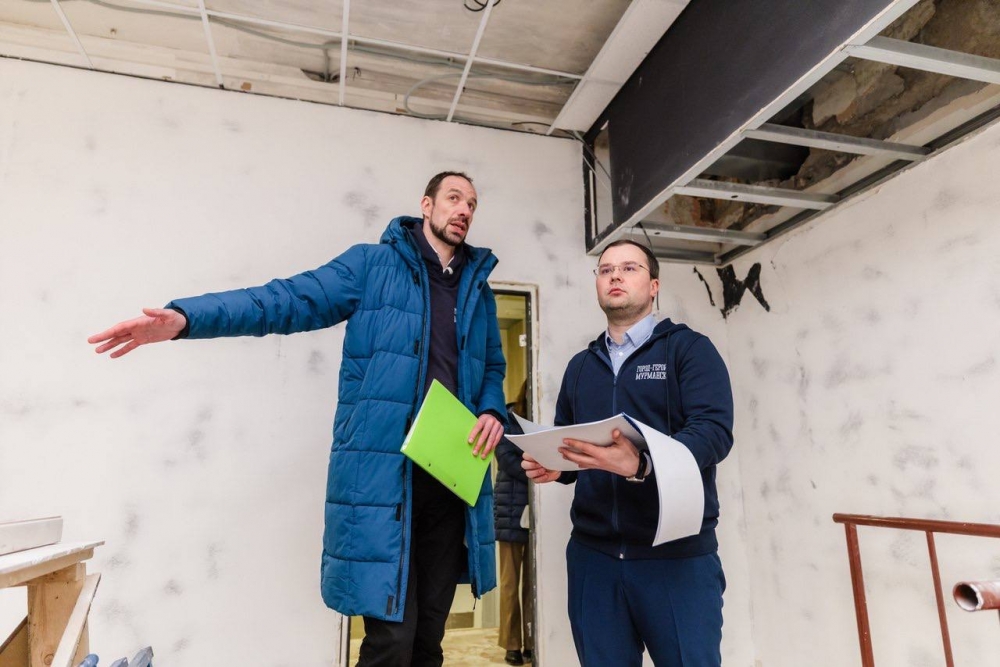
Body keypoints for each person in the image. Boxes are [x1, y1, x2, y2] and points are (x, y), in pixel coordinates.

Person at [88, 171, 507, 667]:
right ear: (426, 205)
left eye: (472, 204)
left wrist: (491, 409)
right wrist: (186, 319)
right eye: (454, 198)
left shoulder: (477, 291)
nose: (464, 210)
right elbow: (284, 299)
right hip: (383, 483)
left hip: (451, 481)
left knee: (428, 641)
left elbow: (491, 368)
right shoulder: (371, 265)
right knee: (391, 642)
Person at [523, 239, 734, 667]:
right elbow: (573, 443)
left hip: (676, 558)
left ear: (654, 285)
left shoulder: (689, 350)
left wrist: (644, 465)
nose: (615, 275)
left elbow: (713, 433)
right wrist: (557, 466)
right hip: (594, 560)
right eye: (605, 270)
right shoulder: (580, 366)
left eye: (629, 268)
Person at [493, 387, 534, 666]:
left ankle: (531, 641)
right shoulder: (507, 419)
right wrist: (537, 467)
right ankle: (511, 644)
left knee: (533, 583)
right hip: (510, 511)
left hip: (536, 513)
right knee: (510, 583)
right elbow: (506, 460)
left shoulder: (543, 423)